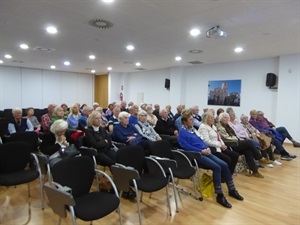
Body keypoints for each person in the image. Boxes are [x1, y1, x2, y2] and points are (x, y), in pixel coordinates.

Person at [177, 111, 244, 208]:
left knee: (224, 165)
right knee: (217, 167)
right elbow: (186, 147)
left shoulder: (193, 130)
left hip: (205, 151)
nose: (193, 121)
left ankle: (232, 190)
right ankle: (219, 195)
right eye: (191, 120)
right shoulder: (182, 133)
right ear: (185, 122)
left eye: (193, 119)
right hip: (196, 155)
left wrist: (206, 148)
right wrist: (201, 150)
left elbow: (201, 141)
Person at [217, 112, 270, 178]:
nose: (227, 118)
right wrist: (236, 138)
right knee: (248, 142)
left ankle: (255, 171)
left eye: (227, 117)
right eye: (225, 117)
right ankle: (259, 157)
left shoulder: (228, 126)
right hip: (230, 145)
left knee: (248, 150)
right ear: (221, 119)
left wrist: (237, 138)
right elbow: (226, 138)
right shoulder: (220, 127)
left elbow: (235, 135)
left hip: (235, 142)